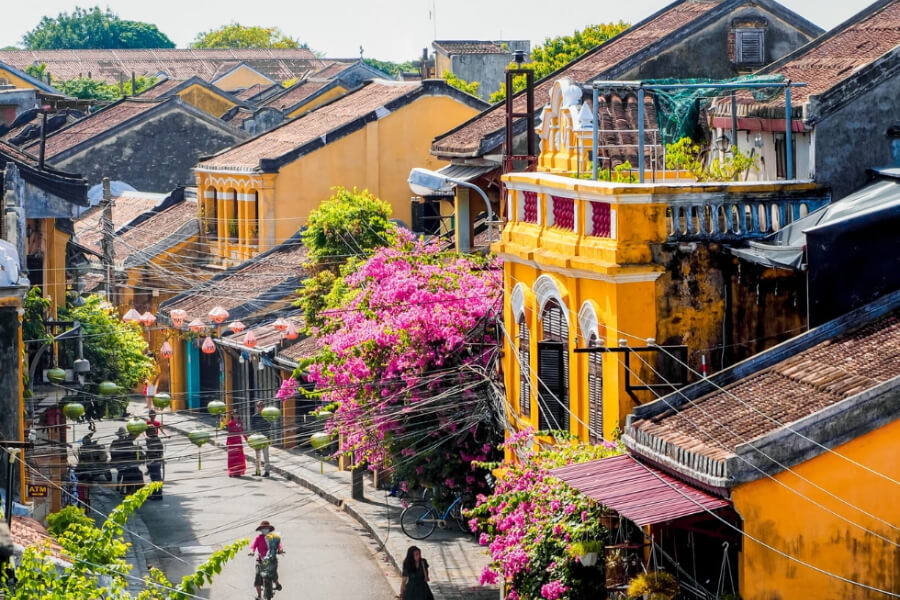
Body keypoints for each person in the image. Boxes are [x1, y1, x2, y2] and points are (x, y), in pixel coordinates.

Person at [250, 521, 283, 598]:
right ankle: (259, 596)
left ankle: (277, 583)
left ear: (269, 529)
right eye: (263, 528)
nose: (265, 530)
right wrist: (252, 552)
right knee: (258, 577)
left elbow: (279, 545)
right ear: (261, 530)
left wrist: (280, 550)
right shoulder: (258, 538)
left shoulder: (274, 537)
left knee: (273, 573)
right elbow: (253, 546)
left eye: (266, 528)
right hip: (261, 560)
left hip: (271, 560)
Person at [144, 426, 164, 500]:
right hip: (152, 460)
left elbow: (152, 450)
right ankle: (155, 493)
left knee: (156, 478)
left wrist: (145, 452)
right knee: (154, 478)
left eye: (148, 431)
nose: (147, 433)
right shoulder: (151, 439)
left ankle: (158, 494)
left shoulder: (154, 439)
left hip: (155, 460)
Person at [225, 413, 247, 477]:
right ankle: (232, 471)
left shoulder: (240, 422)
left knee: (239, 458)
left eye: (236, 414)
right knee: (232, 458)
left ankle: (238, 471)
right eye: (234, 414)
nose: (235, 415)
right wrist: (227, 442)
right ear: (232, 415)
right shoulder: (230, 423)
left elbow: (242, 431)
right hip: (232, 442)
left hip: (238, 442)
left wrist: (247, 439)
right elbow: (229, 433)